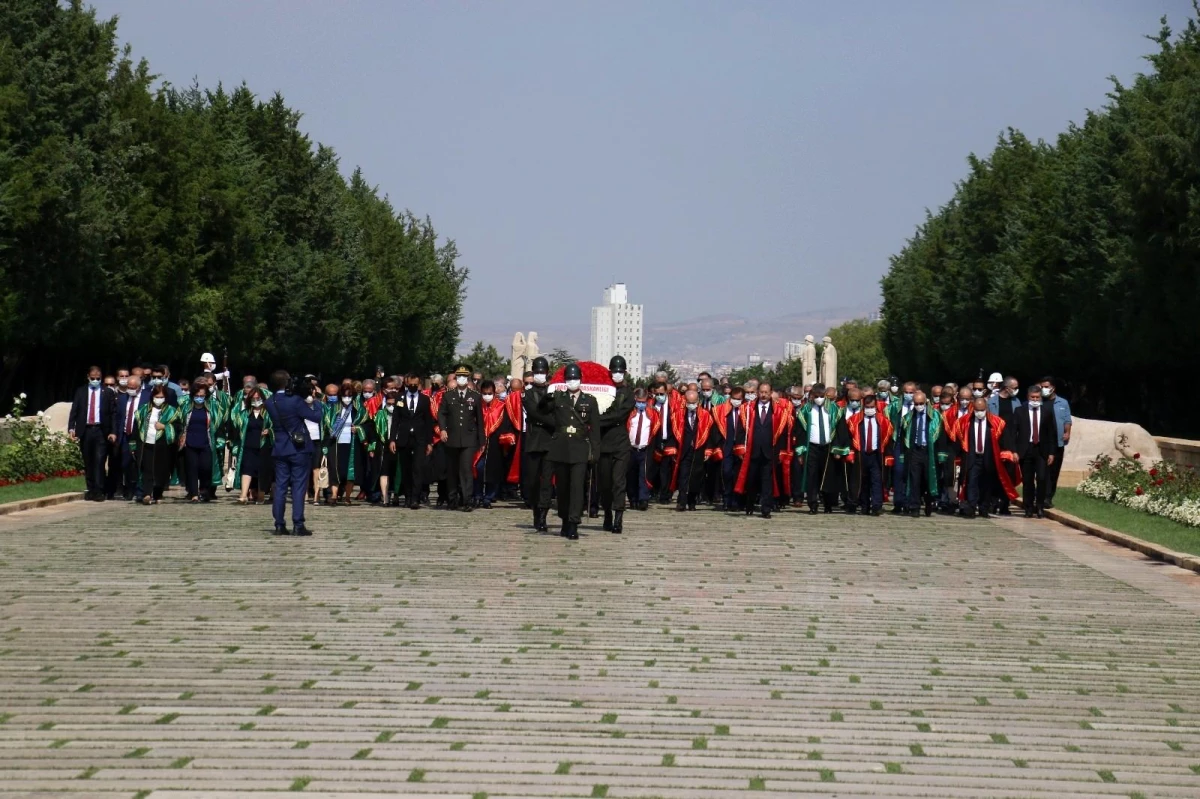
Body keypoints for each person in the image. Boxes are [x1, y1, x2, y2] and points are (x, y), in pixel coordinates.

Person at [540, 363, 601, 539]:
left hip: (580, 448)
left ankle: (574, 523)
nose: (572, 382)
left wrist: (595, 452)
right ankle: (565, 520)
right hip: (560, 448)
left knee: (577, 488)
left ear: (580, 380)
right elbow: (541, 411)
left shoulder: (589, 400)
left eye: (575, 379)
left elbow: (595, 428)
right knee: (563, 488)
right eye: (569, 379)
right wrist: (546, 396)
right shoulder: (559, 398)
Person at [264, 370, 322, 535]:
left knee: (281, 487)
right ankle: (298, 524)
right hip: (298, 448)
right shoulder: (295, 401)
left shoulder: (270, 401)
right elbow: (316, 417)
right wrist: (316, 401)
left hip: (280, 447)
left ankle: (279, 524)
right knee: (298, 486)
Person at [959, 397, 1019, 519]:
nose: (979, 412)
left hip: (989, 458)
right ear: (973, 409)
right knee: (971, 482)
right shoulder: (965, 422)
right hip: (972, 458)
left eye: (982, 410)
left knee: (987, 484)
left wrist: (1011, 452)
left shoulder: (997, 423)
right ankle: (971, 507)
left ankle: (984, 508)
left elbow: (1006, 440)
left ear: (986, 408)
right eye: (977, 410)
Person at [735, 382, 786, 518]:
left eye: (766, 392)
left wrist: (782, 452)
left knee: (767, 481)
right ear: (758, 392)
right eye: (761, 392)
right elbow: (740, 431)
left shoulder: (778, 410)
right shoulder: (748, 409)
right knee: (751, 480)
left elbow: (782, 434)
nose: (763, 395)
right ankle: (749, 505)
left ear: (770, 393)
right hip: (752, 450)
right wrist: (740, 448)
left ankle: (766, 509)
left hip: (770, 452)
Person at [596, 355, 634, 532]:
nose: (617, 374)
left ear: (624, 372)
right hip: (603, 443)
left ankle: (618, 517)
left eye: (620, 371)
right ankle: (608, 516)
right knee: (604, 483)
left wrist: (596, 421)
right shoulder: (603, 391)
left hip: (620, 444)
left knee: (618, 482)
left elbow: (619, 416)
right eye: (614, 371)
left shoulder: (628, 393)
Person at [438, 365, 483, 511]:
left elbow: (480, 420)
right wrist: (443, 429)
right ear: (456, 378)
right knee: (451, 470)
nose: (462, 379)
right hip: (452, 437)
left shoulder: (475, 396)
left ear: (468, 378)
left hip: (469, 438)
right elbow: (441, 414)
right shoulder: (448, 395)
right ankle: (452, 499)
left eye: (464, 377)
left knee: (466, 470)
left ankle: (467, 499)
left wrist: (481, 440)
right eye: (459, 377)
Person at [68, 365, 117, 501]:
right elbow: (75, 411)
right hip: (85, 430)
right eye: (93, 378)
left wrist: (113, 431)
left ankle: (99, 490)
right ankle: (91, 488)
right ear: (88, 377)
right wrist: (72, 428)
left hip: (101, 430)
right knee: (88, 460)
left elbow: (113, 413)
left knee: (99, 460)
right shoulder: (81, 391)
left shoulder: (107, 392)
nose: (95, 380)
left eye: (98, 378)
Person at [389, 374, 434, 509]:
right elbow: (395, 420)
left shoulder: (425, 400)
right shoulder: (399, 398)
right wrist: (392, 439)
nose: (413, 387)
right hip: (403, 438)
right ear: (406, 384)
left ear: (419, 384)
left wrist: (429, 442)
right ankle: (408, 496)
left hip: (419, 438)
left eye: (416, 384)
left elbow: (428, 421)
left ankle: (415, 498)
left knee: (418, 469)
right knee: (406, 469)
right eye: (411, 384)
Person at [897, 390, 944, 518]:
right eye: (916, 403)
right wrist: (902, 455)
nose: (918, 406)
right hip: (914, 451)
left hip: (929, 451)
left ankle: (929, 503)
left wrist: (941, 455)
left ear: (926, 402)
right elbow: (902, 438)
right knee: (914, 480)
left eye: (921, 403)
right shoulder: (908, 417)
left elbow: (941, 437)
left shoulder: (935, 416)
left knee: (928, 479)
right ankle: (915, 507)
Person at [521, 357, 555, 530]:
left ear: (547, 373)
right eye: (537, 372)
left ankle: (543, 514)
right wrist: (552, 422)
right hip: (534, 441)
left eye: (542, 372)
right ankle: (536, 510)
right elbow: (534, 413)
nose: (540, 375)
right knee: (533, 481)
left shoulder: (554, 392)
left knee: (547, 481)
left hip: (550, 442)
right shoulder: (527, 393)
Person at [1014, 385, 1058, 518]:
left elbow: (1052, 433)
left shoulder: (1047, 411)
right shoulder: (1019, 411)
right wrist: (1014, 451)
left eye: (1037, 397)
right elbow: (1013, 432)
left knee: (1042, 478)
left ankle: (1039, 506)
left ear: (1040, 398)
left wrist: (1052, 452)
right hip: (1025, 450)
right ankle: (1028, 507)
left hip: (1041, 450)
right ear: (1028, 397)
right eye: (1032, 397)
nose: (1034, 399)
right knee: (1027, 481)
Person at [178, 380, 224, 503]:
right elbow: (179, 423)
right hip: (190, 443)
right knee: (192, 469)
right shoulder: (185, 407)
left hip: (206, 443)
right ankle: (193, 494)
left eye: (202, 396)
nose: (199, 398)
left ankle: (204, 490)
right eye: (197, 396)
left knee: (206, 468)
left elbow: (218, 424)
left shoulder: (212, 408)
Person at [324, 381, 368, 505]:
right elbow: (327, 421)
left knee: (350, 471)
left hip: (352, 442)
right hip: (336, 442)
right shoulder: (334, 408)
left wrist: (358, 429)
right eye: (344, 396)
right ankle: (333, 495)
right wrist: (331, 428)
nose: (347, 399)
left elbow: (365, 423)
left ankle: (347, 497)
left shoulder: (358, 409)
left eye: (349, 396)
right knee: (335, 469)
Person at [133, 384, 177, 504]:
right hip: (146, 443)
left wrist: (165, 426)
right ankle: (147, 494)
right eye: (157, 396)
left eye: (161, 396)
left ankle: (157, 494)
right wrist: (133, 444)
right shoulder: (143, 410)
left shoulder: (172, 411)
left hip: (163, 445)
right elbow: (136, 427)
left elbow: (177, 428)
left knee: (160, 470)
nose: (159, 399)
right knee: (147, 469)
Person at [671, 389, 714, 512]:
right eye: (689, 402)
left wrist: (708, 450)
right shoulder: (677, 415)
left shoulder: (705, 415)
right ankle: (682, 502)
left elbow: (710, 435)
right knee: (683, 476)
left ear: (698, 401)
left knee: (696, 477)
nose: (691, 404)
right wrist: (673, 450)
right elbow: (673, 434)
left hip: (699, 450)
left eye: (693, 402)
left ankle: (692, 501)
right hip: (684, 451)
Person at [847, 394, 890, 515]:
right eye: (867, 406)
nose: (870, 409)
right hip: (861, 454)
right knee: (863, 481)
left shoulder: (882, 420)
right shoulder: (855, 420)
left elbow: (888, 438)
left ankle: (876, 506)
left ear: (876, 406)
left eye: (872, 407)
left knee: (876, 480)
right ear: (863, 406)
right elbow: (850, 438)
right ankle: (864, 506)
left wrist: (888, 456)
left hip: (876, 454)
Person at [231, 386, 273, 505]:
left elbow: (276, 426)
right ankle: (243, 495)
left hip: (264, 446)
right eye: (253, 398)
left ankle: (261, 495)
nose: (256, 400)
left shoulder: (268, 414)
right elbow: (234, 418)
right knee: (247, 469)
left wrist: (269, 431)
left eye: (258, 398)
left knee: (262, 471)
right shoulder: (245, 414)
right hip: (248, 446)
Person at [710, 386, 746, 511]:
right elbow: (714, 431)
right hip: (727, 445)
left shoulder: (747, 410)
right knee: (726, 473)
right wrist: (716, 447)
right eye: (734, 399)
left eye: (739, 399)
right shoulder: (720, 411)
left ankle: (736, 501)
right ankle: (726, 499)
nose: (736, 401)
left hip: (741, 446)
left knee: (738, 474)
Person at [472, 380, 507, 509]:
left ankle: (489, 497)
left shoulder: (501, 406)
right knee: (478, 468)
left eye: (489, 393)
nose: (487, 395)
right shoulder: (477, 404)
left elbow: (505, 424)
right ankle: (477, 495)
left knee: (493, 470)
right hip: (478, 441)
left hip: (495, 441)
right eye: (484, 393)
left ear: (494, 392)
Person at [625, 388, 660, 513]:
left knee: (643, 475)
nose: (641, 404)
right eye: (639, 401)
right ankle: (632, 498)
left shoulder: (652, 414)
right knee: (631, 475)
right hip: (630, 448)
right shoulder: (629, 413)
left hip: (645, 449)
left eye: (643, 401)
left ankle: (643, 499)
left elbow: (656, 430)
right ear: (635, 400)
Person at [1040, 376, 1072, 509]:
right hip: (1043, 442)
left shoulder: (1062, 403)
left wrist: (1067, 432)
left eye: (1046, 387)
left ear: (1053, 388)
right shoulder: (1039, 401)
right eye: (1042, 387)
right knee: (1043, 472)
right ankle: (1040, 496)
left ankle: (1048, 497)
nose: (1043, 389)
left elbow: (1067, 420)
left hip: (1058, 442)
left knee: (1054, 472)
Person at [112, 374, 144, 501]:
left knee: (139, 463)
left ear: (139, 387)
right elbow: (117, 417)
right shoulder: (122, 398)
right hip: (125, 434)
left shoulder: (146, 398)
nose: (130, 389)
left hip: (140, 436)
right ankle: (129, 489)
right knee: (125, 463)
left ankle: (139, 490)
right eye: (128, 387)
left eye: (133, 387)